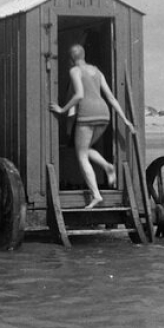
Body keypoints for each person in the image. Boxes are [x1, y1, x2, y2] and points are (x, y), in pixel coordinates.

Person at [49, 44, 135, 208]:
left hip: (87, 113)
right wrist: (125, 119)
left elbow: (79, 94)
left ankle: (96, 195)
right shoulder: (97, 71)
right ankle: (108, 166)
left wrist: (62, 110)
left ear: (71, 59)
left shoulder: (75, 71)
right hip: (104, 113)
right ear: (84, 54)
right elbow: (110, 96)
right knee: (85, 149)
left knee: (81, 156)